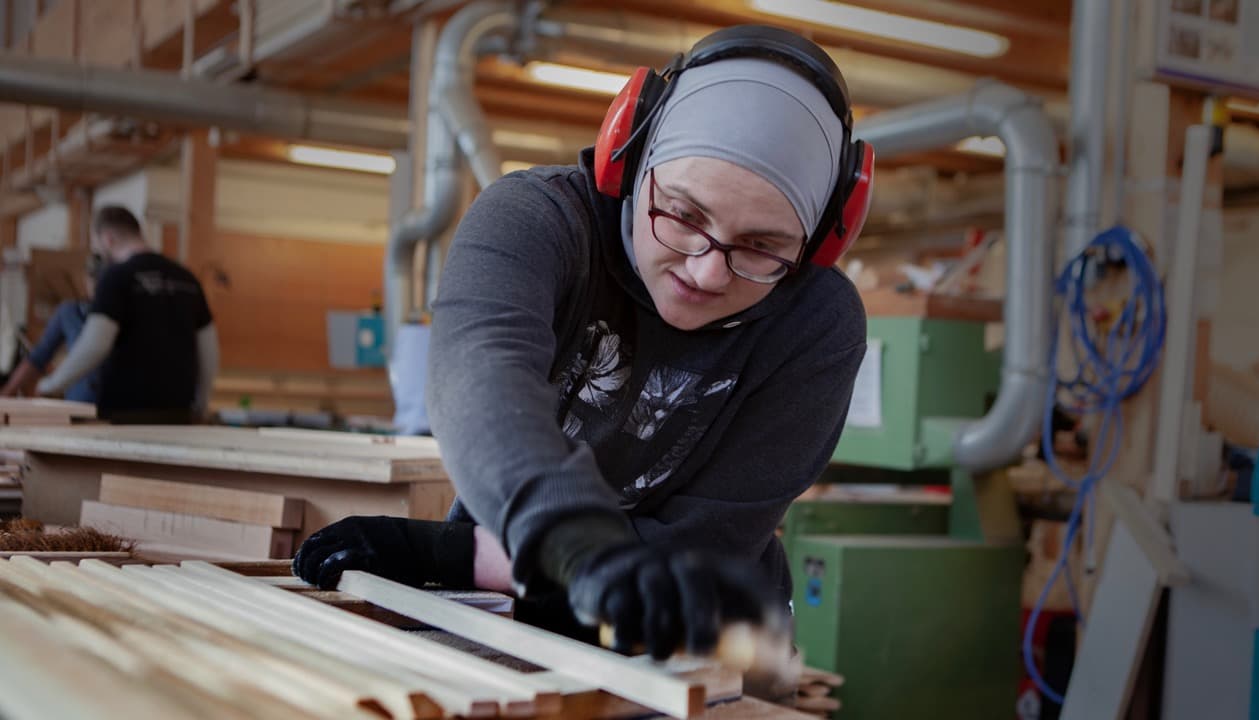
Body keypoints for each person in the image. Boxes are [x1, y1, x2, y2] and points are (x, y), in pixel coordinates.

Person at [294, 25, 873, 663]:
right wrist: (564, 544)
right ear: (627, 156)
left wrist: (458, 553)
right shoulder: (538, 224)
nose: (706, 271)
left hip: (691, 638)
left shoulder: (818, 324)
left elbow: (707, 543)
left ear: (819, 241)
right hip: (509, 599)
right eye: (683, 215)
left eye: (762, 246)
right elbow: (482, 388)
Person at [36, 206, 219, 424]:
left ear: (108, 239)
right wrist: (201, 402)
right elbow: (209, 351)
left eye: (97, 246)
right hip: (177, 411)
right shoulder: (187, 278)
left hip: (126, 413)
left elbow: (95, 344)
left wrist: (52, 385)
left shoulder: (116, 277)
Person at [0, 254, 104, 402]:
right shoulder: (70, 312)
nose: (97, 284)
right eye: (93, 278)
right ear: (86, 280)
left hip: (122, 406)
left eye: (102, 277)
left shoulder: (128, 313)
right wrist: (8, 392)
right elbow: (38, 356)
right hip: (81, 404)